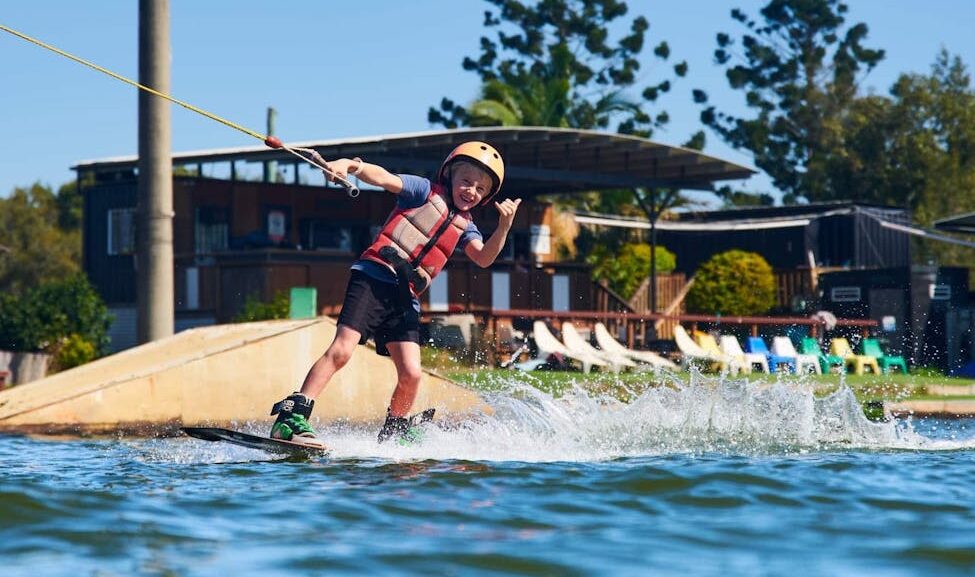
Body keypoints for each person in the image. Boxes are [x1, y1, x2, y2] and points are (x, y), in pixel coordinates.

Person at [269, 141, 521, 447]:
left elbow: (483, 258)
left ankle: (395, 430)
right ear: (450, 175)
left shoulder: (466, 226)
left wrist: (504, 227)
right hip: (374, 277)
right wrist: (350, 165)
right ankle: (291, 418)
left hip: (405, 297)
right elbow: (383, 177)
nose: (471, 191)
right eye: (466, 181)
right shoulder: (423, 191)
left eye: (481, 188)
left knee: (412, 374)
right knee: (342, 351)